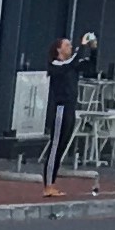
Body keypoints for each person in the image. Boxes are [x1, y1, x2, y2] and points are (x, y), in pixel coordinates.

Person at [41, 32, 92, 189]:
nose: (70, 47)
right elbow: (70, 63)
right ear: (58, 50)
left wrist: (93, 49)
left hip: (71, 108)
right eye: (67, 45)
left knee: (63, 145)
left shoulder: (71, 65)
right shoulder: (56, 65)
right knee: (55, 144)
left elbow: (89, 66)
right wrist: (81, 46)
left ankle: (53, 181)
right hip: (60, 109)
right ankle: (48, 184)